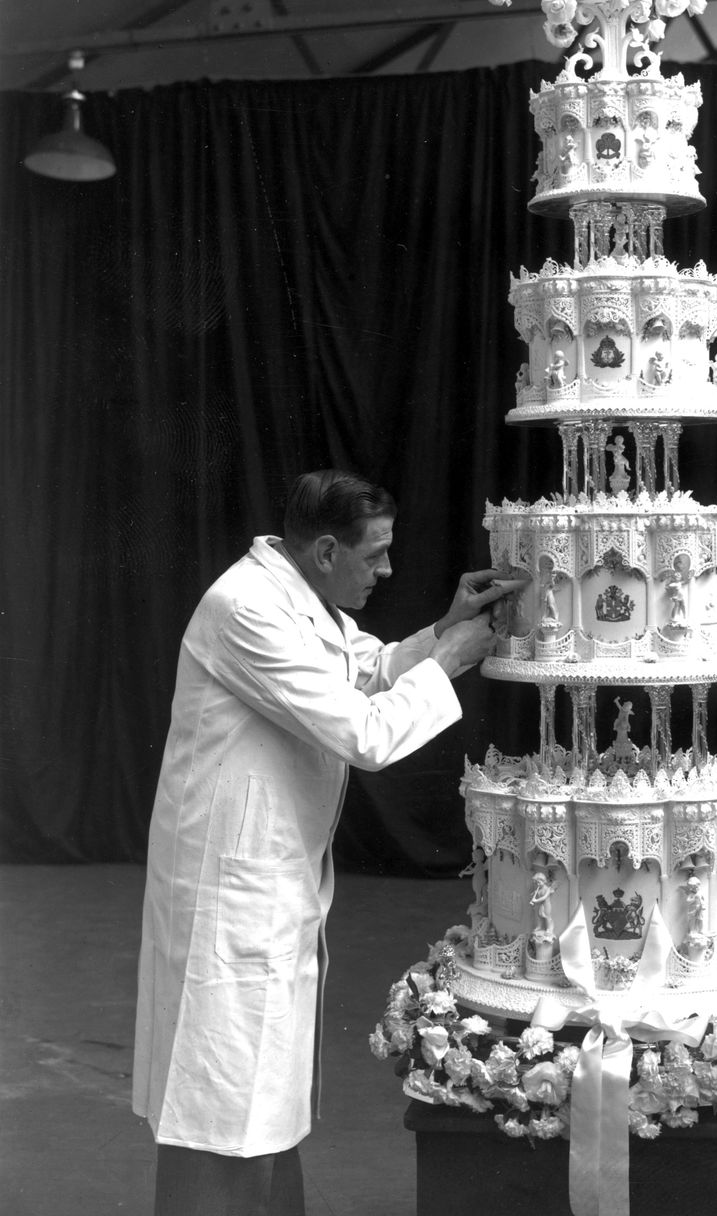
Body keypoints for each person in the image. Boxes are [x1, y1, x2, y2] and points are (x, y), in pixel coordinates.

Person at [132, 470, 511, 1216]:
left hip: (269, 883)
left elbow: (362, 671)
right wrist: (453, 661)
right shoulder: (243, 606)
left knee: (260, 1093)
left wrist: (442, 628)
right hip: (228, 893)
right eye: (375, 557)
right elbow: (362, 730)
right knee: (221, 1101)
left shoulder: (299, 597)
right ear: (327, 549)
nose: (387, 571)